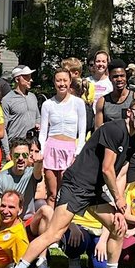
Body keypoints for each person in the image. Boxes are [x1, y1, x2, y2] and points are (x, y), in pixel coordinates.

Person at [0, 97, 135, 268]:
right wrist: (118, 199)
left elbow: (120, 172)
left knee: (118, 227)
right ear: (130, 112)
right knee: (54, 233)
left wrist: (118, 206)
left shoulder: (133, 139)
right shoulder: (114, 130)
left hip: (93, 190)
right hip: (77, 185)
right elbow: (107, 169)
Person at [0, 137, 53, 268]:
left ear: (29, 156)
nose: (20, 159)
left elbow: (37, 173)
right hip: (10, 225)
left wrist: (39, 162)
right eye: (17, 155)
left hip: (29, 223)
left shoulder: (31, 173)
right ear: (10, 156)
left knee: (46, 210)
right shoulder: (0, 178)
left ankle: (42, 262)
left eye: (24, 155)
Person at [39, 67, 86, 207]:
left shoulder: (78, 103)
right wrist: (41, 152)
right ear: (54, 82)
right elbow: (43, 132)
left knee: (65, 193)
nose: (62, 84)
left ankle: (62, 219)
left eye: (65, 80)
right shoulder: (48, 104)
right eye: (58, 80)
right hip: (51, 149)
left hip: (70, 149)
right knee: (52, 194)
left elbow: (82, 131)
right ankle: (49, 218)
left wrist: (77, 152)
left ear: (70, 81)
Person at [96, 60, 135, 127]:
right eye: (115, 76)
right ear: (110, 78)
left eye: (122, 76)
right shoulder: (102, 102)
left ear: (126, 77)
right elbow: (98, 129)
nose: (119, 79)